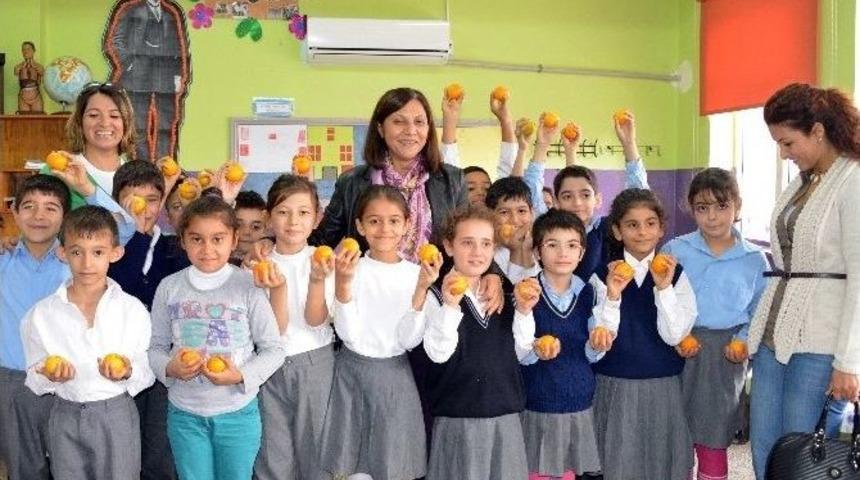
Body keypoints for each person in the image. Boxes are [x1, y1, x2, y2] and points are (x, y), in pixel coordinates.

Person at [748, 83, 860, 479]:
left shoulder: (853, 180)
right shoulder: (802, 182)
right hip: (773, 335)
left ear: (817, 131)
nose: (783, 153)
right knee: (764, 443)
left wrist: (849, 361)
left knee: (802, 450)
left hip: (819, 340)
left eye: (788, 142)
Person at [149, 196, 286, 480]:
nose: (207, 249)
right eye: (197, 239)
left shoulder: (248, 286)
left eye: (218, 239)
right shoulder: (169, 288)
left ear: (234, 240)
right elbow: (155, 348)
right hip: (185, 415)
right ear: (183, 240)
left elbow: (273, 349)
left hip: (238, 414)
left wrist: (240, 375)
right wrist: (169, 368)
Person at [21, 205, 156, 479]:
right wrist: (48, 373)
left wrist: (127, 371)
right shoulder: (41, 313)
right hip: (64, 414)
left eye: (98, 252)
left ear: (115, 253)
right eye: (76, 251)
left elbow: (147, 373)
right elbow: (33, 378)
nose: (86, 263)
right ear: (62, 253)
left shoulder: (132, 310)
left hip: (116, 412)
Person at [318, 185, 437, 480]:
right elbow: (348, 334)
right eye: (374, 221)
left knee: (393, 465)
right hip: (349, 373)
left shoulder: (416, 274)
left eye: (394, 220)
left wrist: (422, 289)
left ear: (408, 225)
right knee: (349, 467)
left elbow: (409, 341)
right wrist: (344, 284)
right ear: (359, 226)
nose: (385, 229)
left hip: (395, 376)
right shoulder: (345, 268)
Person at [662, 168, 768, 480]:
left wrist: (745, 340)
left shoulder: (754, 259)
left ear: (738, 206)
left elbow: (759, 309)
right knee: (677, 435)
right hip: (680, 348)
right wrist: (677, 335)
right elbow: (663, 299)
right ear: (691, 209)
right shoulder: (675, 250)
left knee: (714, 435)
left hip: (726, 353)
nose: (712, 217)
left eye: (722, 206)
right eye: (702, 208)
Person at [588, 188, 697, 480]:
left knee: (663, 464)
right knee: (617, 463)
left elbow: (676, 335)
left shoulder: (676, 275)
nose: (642, 232)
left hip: (663, 385)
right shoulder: (601, 276)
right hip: (615, 384)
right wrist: (612, 293)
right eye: (632, 224)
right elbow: (601, 336)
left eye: (650, 223)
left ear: (661, 229)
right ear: (617, 230)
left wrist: (663, 288)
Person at [422, 204, 536, 480]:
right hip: (458, 421)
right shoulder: (435, 296)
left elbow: (521, 353)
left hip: (505, 418)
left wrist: (523, 311)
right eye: (467, 243)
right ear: (449, 247)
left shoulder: (506, 292)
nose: (477, 252)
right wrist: (450, 306)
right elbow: (437, 354)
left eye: (486, 243)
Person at [312, 87, 466, 263]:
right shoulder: (352, 183)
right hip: (370, 286)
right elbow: (322, 241)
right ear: (380, 129)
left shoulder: (451, 180)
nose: (410, 130)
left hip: (434, 287)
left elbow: (469, 236)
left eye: (419, 122)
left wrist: (493, 274)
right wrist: (273, 242)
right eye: (399, 122)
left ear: (428, 129)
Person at [253, 175, 336, 480]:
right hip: (268, 367)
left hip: (316, 363)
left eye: (303, 213)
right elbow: (272, 331)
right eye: (283, 211)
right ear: (268, 217)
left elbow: (317, 320)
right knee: (273, 454)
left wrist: (316, 280)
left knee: (318, 450)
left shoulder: (325, 260)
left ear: (317, 218)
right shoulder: (255, 265)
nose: (293, 221)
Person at [520, 209, 601, 480]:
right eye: (552, 245)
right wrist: (536, 348)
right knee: (540, 471)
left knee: (570, 472)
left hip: (579, 400)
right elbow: (519, 349)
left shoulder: (589, 292)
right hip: (540, 401)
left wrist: (600, 343)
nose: (562, 253)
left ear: (581, 253)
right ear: (537, 252)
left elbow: (592, 354)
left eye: (571, 245)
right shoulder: (526, 292)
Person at [0, 175, 71, 479]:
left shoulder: (77, 262)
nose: (39, 216)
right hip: (12, 382)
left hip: (68, 379)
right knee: (23, 467)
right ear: (14, 212)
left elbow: (123, 228)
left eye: (51, 208)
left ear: (65, 216)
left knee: (71, 466)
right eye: (29, 206)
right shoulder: (3, 260)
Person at [105, 0, 191, 162]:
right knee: (138, 125)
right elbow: (116, 41)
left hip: (165, 75)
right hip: (137, 75)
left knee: (166, 124)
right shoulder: (131, 11)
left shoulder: (169, 14)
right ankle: (141, 166)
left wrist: (178, 75)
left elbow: (177, 47)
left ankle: (164, 165)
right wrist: (128, 63)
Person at [14, 41, 44, 113]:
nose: (25, 51)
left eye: (28, 49)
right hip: (23, 97)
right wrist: (23, 66)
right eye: (23, 49)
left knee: (38, 119)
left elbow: (42, 73)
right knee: (24, 120)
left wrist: (34, 66)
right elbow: (16, 72)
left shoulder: (39, 66)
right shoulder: (18, 66)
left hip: (35, 96)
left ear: (33, 51)